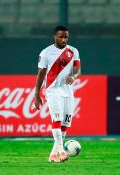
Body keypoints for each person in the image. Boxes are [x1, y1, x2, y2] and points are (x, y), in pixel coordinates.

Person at [34, 26, 81, 163]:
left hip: (67, 91)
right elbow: (40, 74)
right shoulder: (46, 53)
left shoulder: (73, 51)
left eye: (66, 37)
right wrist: (37, 93)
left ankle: (53, 155)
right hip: (52, 90)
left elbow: (78, 70)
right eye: (61, 37)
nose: (63, 39)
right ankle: (61, 151)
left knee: (65, 124)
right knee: (57, 120)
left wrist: (74, 76)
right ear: (55, 36)